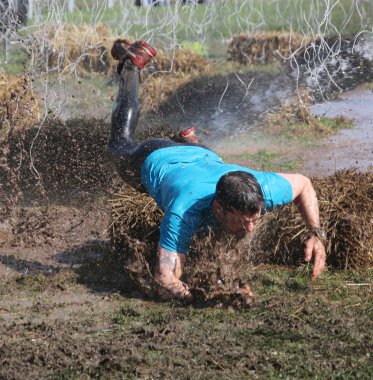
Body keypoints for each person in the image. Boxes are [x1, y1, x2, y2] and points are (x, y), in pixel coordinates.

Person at [107, 39, 327, 301]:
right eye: (242, 221)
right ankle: (132, 65)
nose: (250, 230)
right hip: (156, 155)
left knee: (210, 166)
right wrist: (206, 296)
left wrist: (316, 234)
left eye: (255, 218)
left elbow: (303, 183)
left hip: (204, 157)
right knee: (119, 143)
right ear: (219, 208)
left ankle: (190, 141)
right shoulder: (183, 211)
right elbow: (165, 278)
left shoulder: (263, 188)